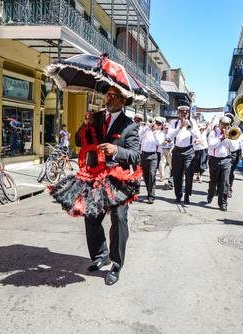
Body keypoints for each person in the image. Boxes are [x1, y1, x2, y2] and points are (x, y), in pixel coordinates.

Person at [74, 86, 140, 285]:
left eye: (114, 96)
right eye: (107, 94)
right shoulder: (95, 118)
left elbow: (135, 155)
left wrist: (116, 150)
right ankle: (100, 255)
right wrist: (85, 125)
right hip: (95, 177)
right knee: (91, 216)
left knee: (119, 220)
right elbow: (78, 140)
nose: (108, 98)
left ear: (123, 101)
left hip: (118, 180)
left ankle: (116, 265)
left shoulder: (130, 125)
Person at [166, 105, 200, 204]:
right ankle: (178, 195)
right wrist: (180, 127)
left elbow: (198, 136)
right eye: (181, 113)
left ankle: (187, 195)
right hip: (177, 151)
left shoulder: (193, 122)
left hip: (189, 151)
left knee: (189, 175)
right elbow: (169, 137)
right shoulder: (174, 123)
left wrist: (190, 127)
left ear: (188, 114)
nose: (183, 115)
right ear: (178, 113)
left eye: (185, 113)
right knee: (177, 175)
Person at [207, 116, 234, 211]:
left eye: (227, 125)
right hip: (214, 160)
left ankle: (223, 203)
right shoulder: (213, 133)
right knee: (213, 181)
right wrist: (222, 137)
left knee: (225, 183)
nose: (225, 127)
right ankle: (210, 193)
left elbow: (234, 148)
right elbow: (212, 145)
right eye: (223, 125)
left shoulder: (230, 134)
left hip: (226, 160)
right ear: (219, 124)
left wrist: (230, 138)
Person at [139, 117, 165, 204]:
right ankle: (149, 191)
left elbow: (159, 142)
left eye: (158, 123)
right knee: (145, 175)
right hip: (143, 154)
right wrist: (148, 127)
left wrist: (154, 132)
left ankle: (151, 196)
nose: (156, 124)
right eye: (155, 122)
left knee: (152, 174)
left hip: (153, 155)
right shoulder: (147, 130)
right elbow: (139, 136)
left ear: (161, 126)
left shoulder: (161, 134)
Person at [227, 127, 243, 198]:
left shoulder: (238, 130)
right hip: (225, 152)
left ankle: (229, 188)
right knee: (223, 171)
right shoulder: (225, 129)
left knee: (230, 171)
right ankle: (221, 187)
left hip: (235, 153)